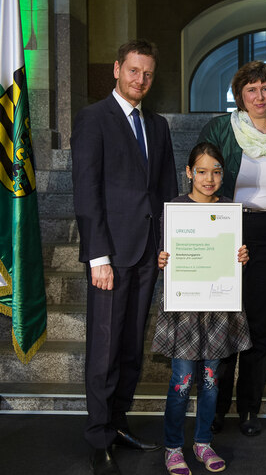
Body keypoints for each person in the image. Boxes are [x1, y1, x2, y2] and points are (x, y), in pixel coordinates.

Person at [72, 39, 178, 475]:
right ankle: (98, 439)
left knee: (132, 346)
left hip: (148, 253)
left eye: (148, 74)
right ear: (117, 69)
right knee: (105, 350)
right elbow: (87, 192)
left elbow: (168, 189)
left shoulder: (157, 125)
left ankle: (118, 424)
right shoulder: (93, 119)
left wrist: (173, 242)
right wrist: (97, 256)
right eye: (133, 71)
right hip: (111, 256)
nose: (140, 80)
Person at [197, 61, 266, 437]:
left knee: (261, 326)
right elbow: (201, 176)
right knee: (224, 321)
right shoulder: (220, 129)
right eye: (251, 90)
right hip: (225, 232)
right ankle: (214, 409)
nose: (260, 97)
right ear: (240, 95)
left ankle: (248, 410)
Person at [153, 142, 252, 475]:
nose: (209, 178)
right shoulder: (175, 209)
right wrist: (163, 259)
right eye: (202, 171)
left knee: (211, 380)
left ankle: (203, 442)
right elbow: (165, 253)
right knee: (181, 381)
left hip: (217, 308)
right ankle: (172, 447)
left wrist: (241, 257)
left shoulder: (229, 210)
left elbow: (233, 256)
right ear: (189, 173)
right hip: (184, 308)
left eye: (216, 172)